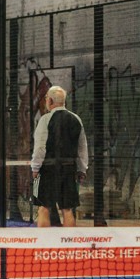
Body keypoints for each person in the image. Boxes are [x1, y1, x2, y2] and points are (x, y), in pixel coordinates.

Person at [30, 85, 88, 227]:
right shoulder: (76, 119)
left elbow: (40, 147)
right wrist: (82, 169)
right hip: (69, 168)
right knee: (67, 210)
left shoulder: (45, 119)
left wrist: (35, 168)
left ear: (49, 100)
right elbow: (82, 148)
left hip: (47, 169)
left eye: (46, 98)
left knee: (43, 208)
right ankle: (69, 240)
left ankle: (43, 240)